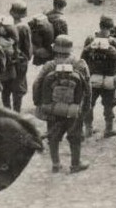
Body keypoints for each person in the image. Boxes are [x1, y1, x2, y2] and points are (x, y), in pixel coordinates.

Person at [32, 35, 91, 173]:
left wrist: (39, 103)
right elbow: (87, 87)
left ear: (55, 49)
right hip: (74, 108)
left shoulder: (49, 66)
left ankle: (56, 164)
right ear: (70, 50)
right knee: (75, 136)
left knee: (53, 135)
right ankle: (75, 164)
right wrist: (85, 107)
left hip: (52, 108)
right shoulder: (79, 64)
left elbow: (37, 84)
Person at [81, 17, 116, 139]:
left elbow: (83, 59)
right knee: (109, 104)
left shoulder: (90, 39)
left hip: (93, 78)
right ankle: (109, 128)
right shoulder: (114, 41)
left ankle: (88, 129)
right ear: (111, 28)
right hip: (109, 78)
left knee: (90, 103)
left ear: (100, 25)